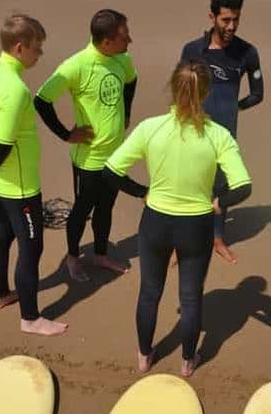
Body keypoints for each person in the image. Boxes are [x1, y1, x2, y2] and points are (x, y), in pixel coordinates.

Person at [104, 60, 252, 377]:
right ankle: (187, 362)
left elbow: (111, 170)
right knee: (190, 296)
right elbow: (243, 187)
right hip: (196, 225)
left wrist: (140, 191)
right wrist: (219, 201)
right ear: (207, 92)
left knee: (150, 292)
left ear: (172, 88)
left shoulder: (149, 128)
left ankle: (145, 356)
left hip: (156, 221)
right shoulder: (218, 135)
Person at [0, 13, 68, 336]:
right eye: (36, 48)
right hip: (21, 187)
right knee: (31, 248)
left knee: (1, 236)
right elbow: (2, 143)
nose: (39, 54)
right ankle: (30, 318)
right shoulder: (16, 90)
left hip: (2, 182)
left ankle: (1, 295)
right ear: (19, 48)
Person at [34, 9, 137, 282]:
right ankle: (72, 257)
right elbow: (41, 100)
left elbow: (131, 80)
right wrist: (66, 134)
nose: (131, 41)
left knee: (107, 207)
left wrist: (125, 112)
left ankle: (101, 254)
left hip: (116, 155)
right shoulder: (76, 66)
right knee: (83, 209)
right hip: (88, 159)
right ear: (106, 42)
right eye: (125, 37)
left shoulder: (122, 58)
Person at [179, 0, 263, 264]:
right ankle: (185, 240)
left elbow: (257, 93)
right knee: (191, 181)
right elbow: (181, 89)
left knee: (221, 185)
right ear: (212, 16)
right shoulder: (193, 50)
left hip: (225, 134)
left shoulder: (247, 53)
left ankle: (217, 237)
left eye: (236, 20)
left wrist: (233, 109)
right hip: (193, 128)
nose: (231, 26)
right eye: (225, 20)